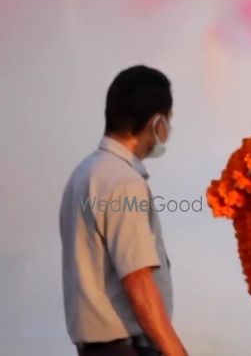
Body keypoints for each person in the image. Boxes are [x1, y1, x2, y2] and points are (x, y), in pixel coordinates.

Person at [59, 66, 187, 356]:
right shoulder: (122, 181)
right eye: (168, 120)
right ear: (157, 123)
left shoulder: (86, 173)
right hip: (127, 348)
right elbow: (138, 280)